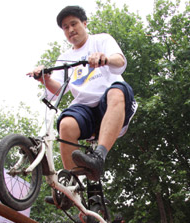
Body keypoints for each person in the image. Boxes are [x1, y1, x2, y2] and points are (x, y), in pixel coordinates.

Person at [28, 5, 137, 184]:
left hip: (110, 105)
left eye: (74, 24)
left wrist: (105, 59)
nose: (70, 30)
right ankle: (72, 186)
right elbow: (57, 92)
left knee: (117, 90)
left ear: (84, 23)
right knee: (66, 124)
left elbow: (120, 61)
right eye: (65, 27)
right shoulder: (64, 57)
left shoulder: (101, 40)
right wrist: (44, 78)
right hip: (85, 110)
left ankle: (98, 157)